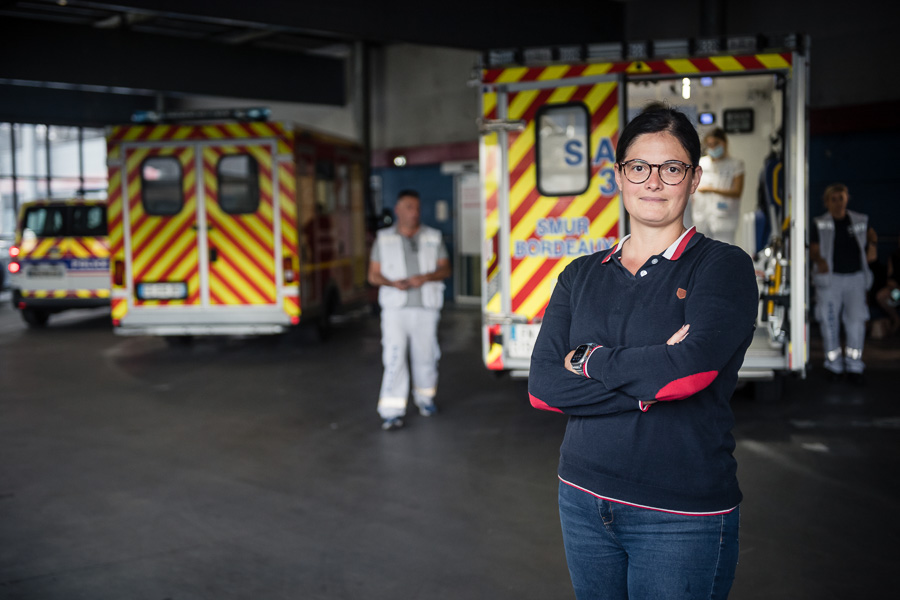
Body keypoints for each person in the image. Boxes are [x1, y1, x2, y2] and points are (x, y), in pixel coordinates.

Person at [528, 104, 758, 600]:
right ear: (619, 176)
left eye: (671, 168)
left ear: (693, 179)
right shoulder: (580, 274)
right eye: (639, 167)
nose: (653, 181)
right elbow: (544, 388)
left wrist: (588, 360)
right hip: (582, 499)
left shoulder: (722, 268)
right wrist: (646, 385)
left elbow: (686, 375)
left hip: (680, 514)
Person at [368, 190, 451, 431]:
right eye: (408, 207)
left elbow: (445, 269)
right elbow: (373, 275)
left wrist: (425, 277)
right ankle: (391, 411)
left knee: (426, 357)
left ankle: (426, 399)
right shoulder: (383, 239)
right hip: (395, 310)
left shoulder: (433, 237)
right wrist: (392, 283)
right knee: (394, 358)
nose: (414, 212)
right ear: (397, 209)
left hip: (425, 308)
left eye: (416, 207)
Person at [809, 183, 876, 384]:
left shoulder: (859, 221)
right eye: (834, 199)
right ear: (827, 202)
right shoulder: (820, 223)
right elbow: (814, 249)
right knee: (829, 321)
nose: (838, 203)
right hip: (831, 280)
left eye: (841, 198)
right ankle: (834, 365)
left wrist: (873, 242)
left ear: (847, 199)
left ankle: (855, 365)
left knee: (856, 321)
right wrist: (819, 260)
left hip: (855, 278)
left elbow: (870, 254)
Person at [692, 127, 745, 245]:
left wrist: (711, 190)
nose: (713, 147)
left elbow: (737, 192)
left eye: (716, 143)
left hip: (724, 216)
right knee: (703, 252)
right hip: (702, 216)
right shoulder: (701, 163)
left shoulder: (735, 164)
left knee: (724, 252)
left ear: (724, 143)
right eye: (709, 144)